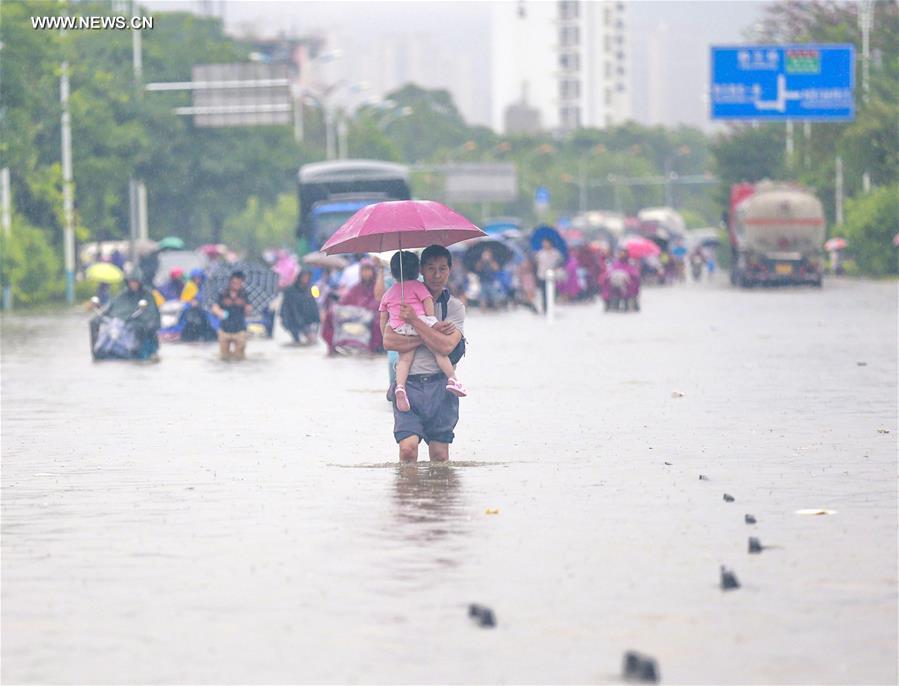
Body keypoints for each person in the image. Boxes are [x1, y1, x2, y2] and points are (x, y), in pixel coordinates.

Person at [382, 245, 467, 463]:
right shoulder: (402, 298)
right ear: (421, 269)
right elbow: (388, 340)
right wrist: (428, 333)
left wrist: (414, 322)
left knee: (439, 456)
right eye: (431, 269)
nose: (437, 275)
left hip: (441, 386)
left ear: (450, 270)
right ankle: (408, 496)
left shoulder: (455, 307)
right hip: (408, 385)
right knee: (408, 450)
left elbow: (446, 346)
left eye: (442, 269)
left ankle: (434, 497)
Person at [321, 258, 384, 355]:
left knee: (378, 321)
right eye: (363, 270)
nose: (366, 273)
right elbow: (344, 302)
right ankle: (334, 347)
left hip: (370, 318)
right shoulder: (356, 288)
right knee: (331, 314)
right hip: (353, 317)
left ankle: (375, 348)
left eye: (368, 269)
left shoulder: (378, 287)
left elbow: (379, 303)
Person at [103, 268, 161, 359]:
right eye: (131, 282)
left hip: (143, 330)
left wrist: (143, 321)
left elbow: (151, 313)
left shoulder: (147, 295)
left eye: (135, 282)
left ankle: (142, 352)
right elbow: (112, 308)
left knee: (141, 330)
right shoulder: (123, 295)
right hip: (123, 327)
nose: (133, 284)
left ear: (140, 282)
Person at [211, 270, 252, 360]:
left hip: (240, 329)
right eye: (234, 283)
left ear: (242, 283)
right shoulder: (222, 293)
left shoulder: (245, 294)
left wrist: (248, 309)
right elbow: (214, 307)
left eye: (239, 283)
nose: (236, 285)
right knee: (224, 357)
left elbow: (249, 309)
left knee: (239, 357)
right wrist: (219, 312)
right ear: (230, 282)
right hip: (224, 329)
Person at [280, 270, 320, 344]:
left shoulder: (311, 288)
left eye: (307, 277)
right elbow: (287, 306)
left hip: (308, 317)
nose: (305, 279)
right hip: (292, 316)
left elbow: (315, 301)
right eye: (304, 277)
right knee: (297, 338)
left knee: (312, 340)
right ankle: (297, 338)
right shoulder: (290, 290)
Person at [535, 238, 563, 312]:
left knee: (552, 291)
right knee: (544, 292)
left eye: (546, 243)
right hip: (542, 275)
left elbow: (560, 262)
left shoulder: (556, 253)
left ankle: (551, 305)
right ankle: (545, 307)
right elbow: (537, 263)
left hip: (552, 274)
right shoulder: (540, 253)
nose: (545, 244)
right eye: (543, 243)